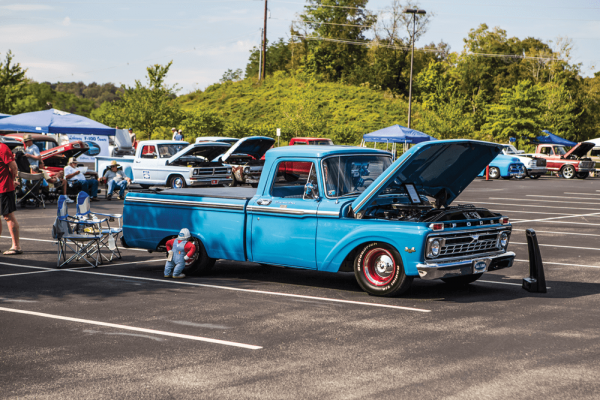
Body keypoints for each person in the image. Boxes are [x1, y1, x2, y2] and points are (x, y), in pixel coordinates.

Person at [0, 141, 21, 255]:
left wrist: (12, 181)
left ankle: (16, 246)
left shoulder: (2, 148)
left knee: (8, 216)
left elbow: (13, 167)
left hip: (4, 188)